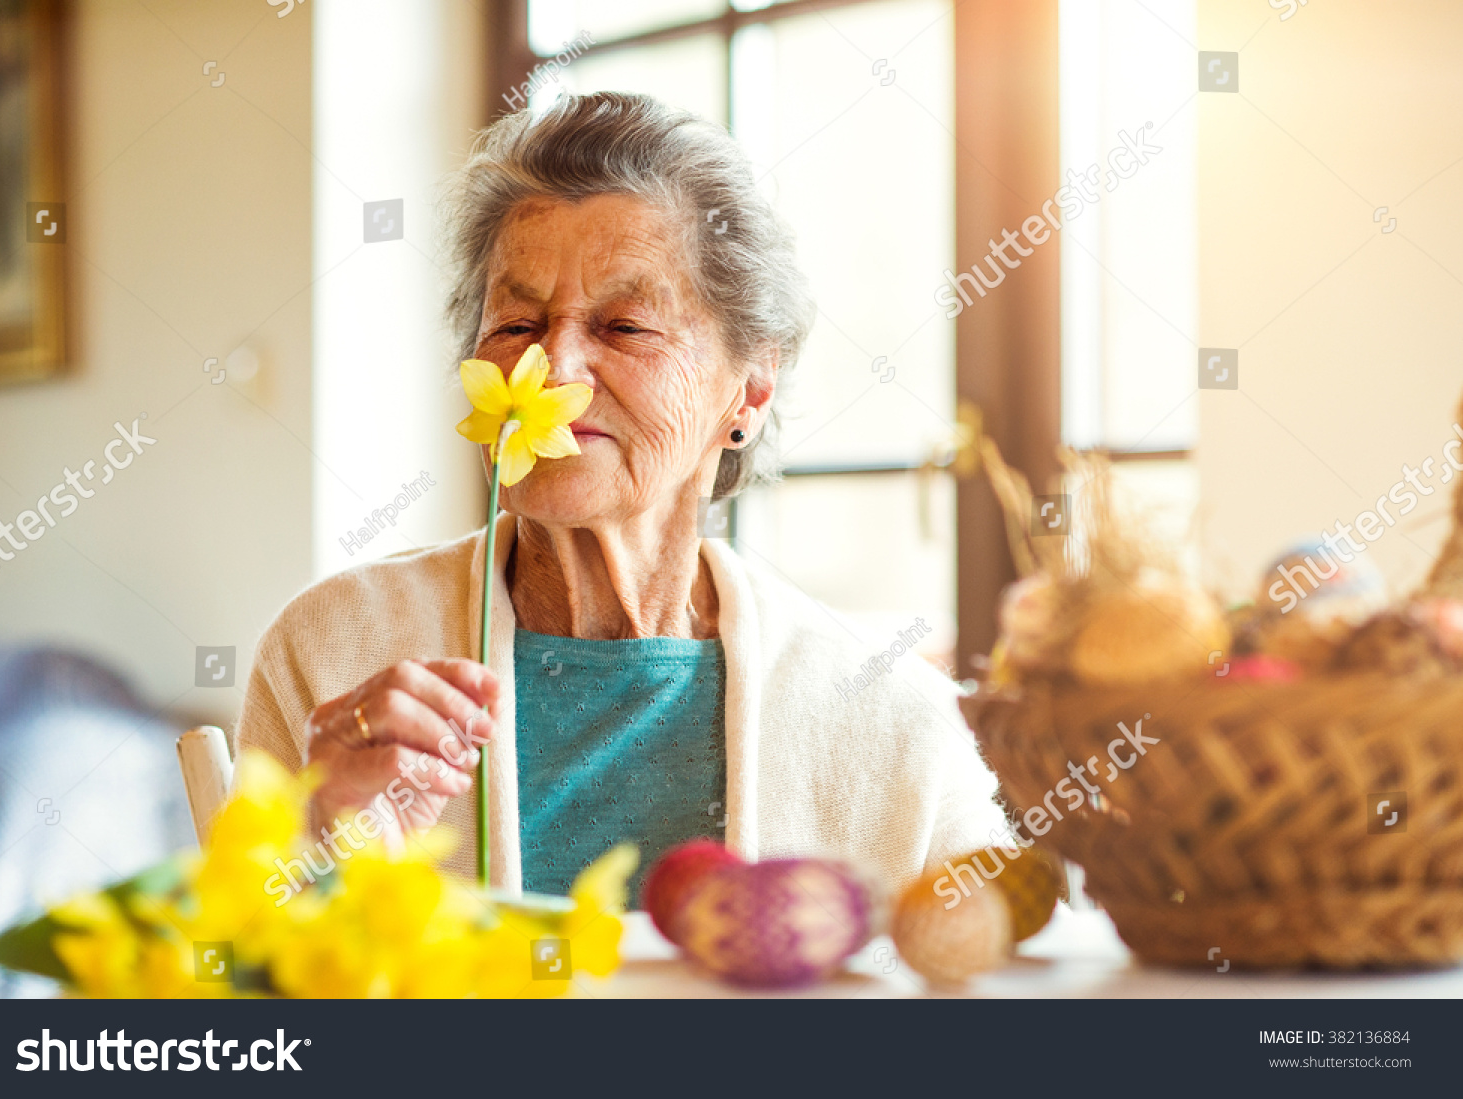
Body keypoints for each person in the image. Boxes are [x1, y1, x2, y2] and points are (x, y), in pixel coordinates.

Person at [236, 92, 1003, 897]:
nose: (555, 371)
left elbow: (997, 980)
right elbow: (230, 992)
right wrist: (323, 860)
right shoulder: (328, 651)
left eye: (625, 327)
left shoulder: (892, 718)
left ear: (750, 387)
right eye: (516, 325)